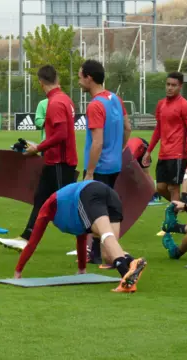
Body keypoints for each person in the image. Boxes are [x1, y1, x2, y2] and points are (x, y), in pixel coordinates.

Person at [13, 180, 148, 292]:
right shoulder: (72, 215)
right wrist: (82, 269)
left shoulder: (48, 209)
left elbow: (32, 242)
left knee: (105, 234)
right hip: (110, 194)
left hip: (89, 193)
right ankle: (132, 262)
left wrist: (18, 271)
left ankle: (126, 278)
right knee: (108, 254)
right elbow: (81, 238)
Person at [0, 65, 78, 253]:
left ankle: (93, 243)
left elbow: (61, 134)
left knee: (67, 206)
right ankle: (26, 237)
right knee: (41, 199)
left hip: (60, 162)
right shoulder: (64, 99)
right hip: (54, 161)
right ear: (57, 79)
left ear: (41, 82)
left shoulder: (56, 103)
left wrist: (37, 148)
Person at [78, 59, 132, 264]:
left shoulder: (95, 105)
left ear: (89, 78)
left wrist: (89, 171)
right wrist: (118, 150)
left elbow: (97, 142)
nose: (79, 81)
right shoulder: (116, 99)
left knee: (95, 211)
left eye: (80, 76)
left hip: (99, 166)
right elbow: (127, 127)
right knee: (107, 209)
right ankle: (100, 253)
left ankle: (106, 254)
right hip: (114, 165)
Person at [142, 72, 187, 203]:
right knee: (161, 187)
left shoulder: (185, 106)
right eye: (168, 84)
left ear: (180, 86)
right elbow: (158, 129)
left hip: (178, 154)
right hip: (163, 153)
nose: (169, 88)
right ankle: (182, 205)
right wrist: (148, 151)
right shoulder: (161, 104)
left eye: (173, 85)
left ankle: (173, 220)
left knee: (173, 188)